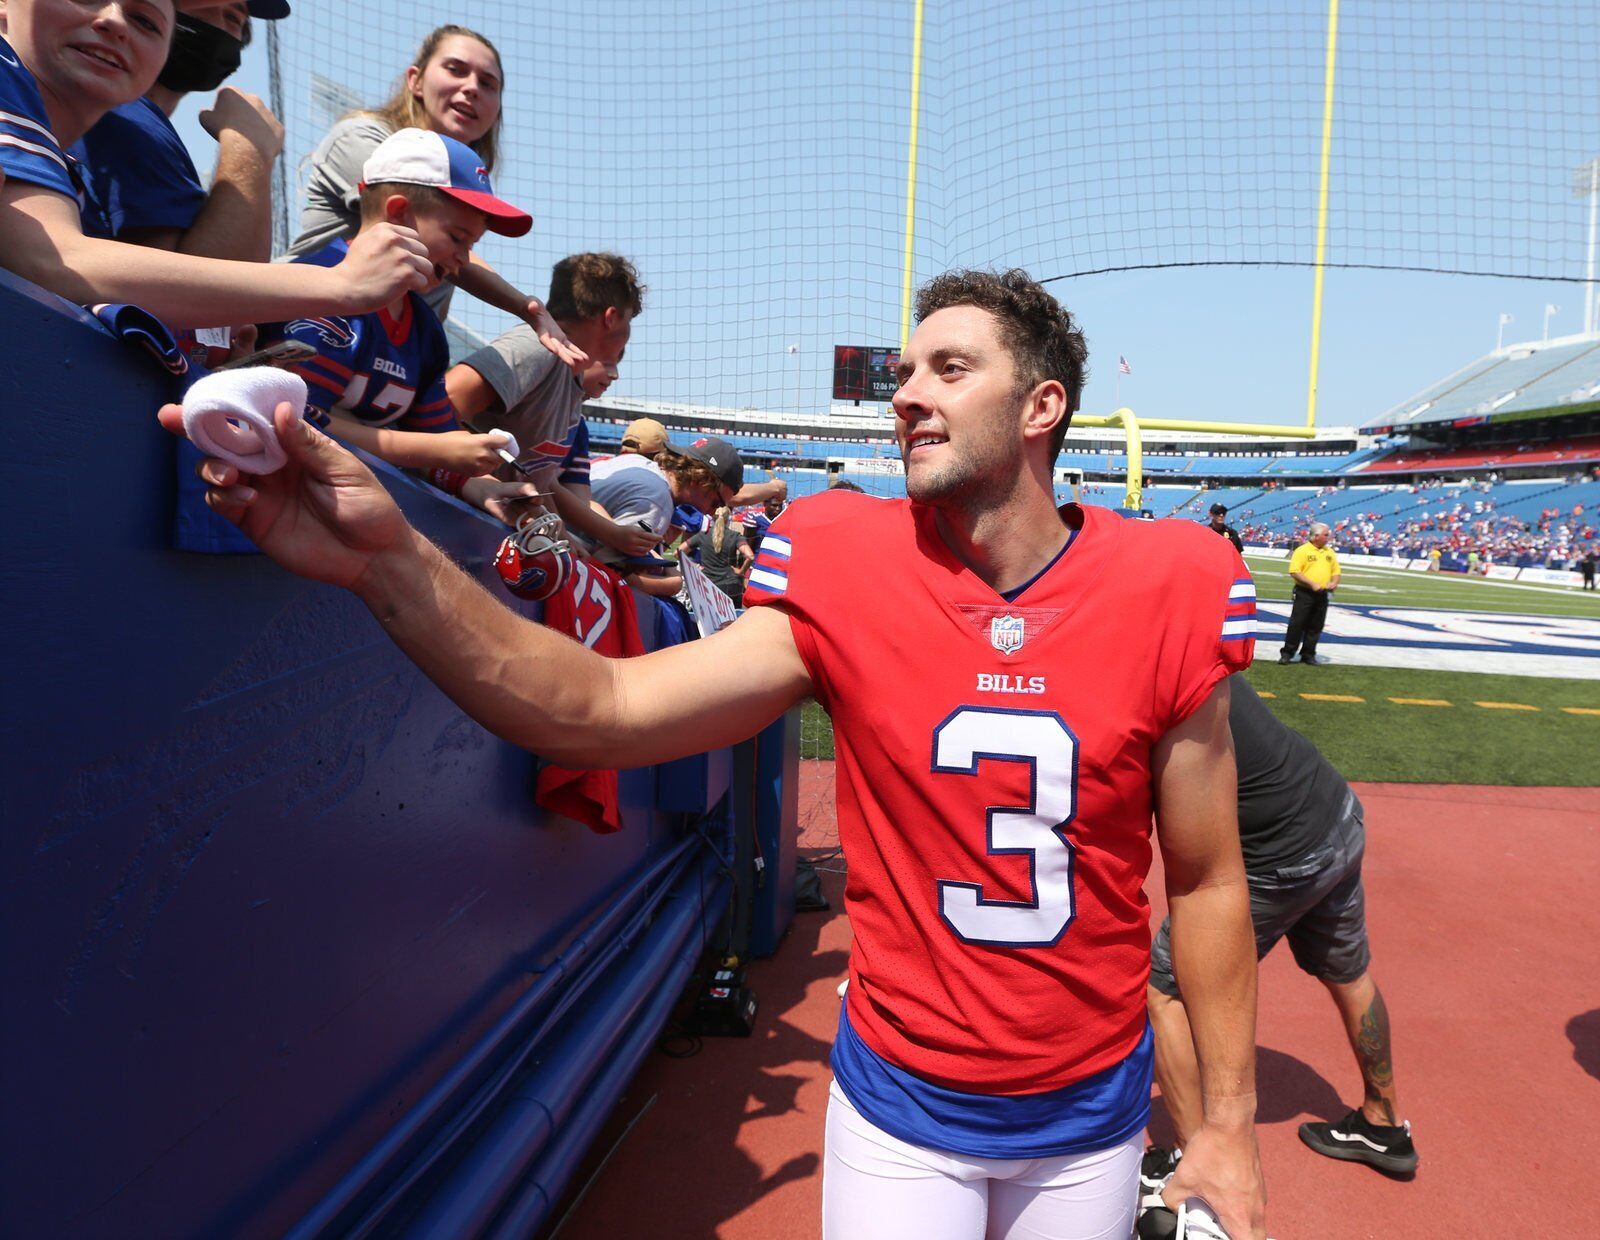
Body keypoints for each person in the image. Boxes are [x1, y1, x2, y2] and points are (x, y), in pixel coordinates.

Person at [162, 267, 1269, 1240]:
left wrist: (1225, 1126)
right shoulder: (844, 560)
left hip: (1088, 1116)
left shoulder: (1166, 581)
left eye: (948, 367)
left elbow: (1209, 876)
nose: (907, 392)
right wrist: (386, 559)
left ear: (1041, 406)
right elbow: (594, 707)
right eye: (906, 369)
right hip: (905, 1106)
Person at [1139, 677, 1416, 1228]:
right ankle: (1385, 1125)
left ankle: (1192, 1164)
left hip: (1279, 854)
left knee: (1164, 991)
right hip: (1334, 812)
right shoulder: (1192, 654)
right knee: (1349, 973)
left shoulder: (1143, 672)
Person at [0, 0, 429, 327]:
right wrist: (339, 283)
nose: (113, 20)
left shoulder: (60, 151)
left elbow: (210, 328)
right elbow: (54, 261)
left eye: (145, 20)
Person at [257, 128, 534, 495]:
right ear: (399, 212)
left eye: (471, 245)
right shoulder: (322, 289)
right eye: (456, 238)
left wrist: (482, 489)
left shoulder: (424, 329)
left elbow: (437, 439)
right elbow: (292, 421)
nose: (463, 260)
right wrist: (432, 450)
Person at [286, 23, 581, 367]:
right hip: (307, 332)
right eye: (455, 70)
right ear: (415, 80)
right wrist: (523, 305)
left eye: (488, 84)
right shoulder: (364, 139)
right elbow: (447, 252)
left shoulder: (467, 179)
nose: (471, 87)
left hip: (393, 364)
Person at [445, 252, 656, 559]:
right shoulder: (537, 349)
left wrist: (558, 528)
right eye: (628, 321)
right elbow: (440, 406)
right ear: (611, 317)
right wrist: (477, 483)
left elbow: (537, 477)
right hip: (451, 521)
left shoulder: (570, 382)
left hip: (488, 533)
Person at [74, 0, 285, 265]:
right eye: (203, 3)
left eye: (232, 17)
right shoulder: (126, 117)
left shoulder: (140, 121)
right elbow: (218, 295)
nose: (215, 23)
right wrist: (249, 145)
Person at [585, 435, 744, 598]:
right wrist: (674, 583)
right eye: (716, 503)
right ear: (702, 479)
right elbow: (606, 570)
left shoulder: (639, 463)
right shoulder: (657, 501)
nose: (712, 512)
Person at [1279, 523, 1339, 666]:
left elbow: (1336, 571)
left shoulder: (1329, 552)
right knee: (1297, 623)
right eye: (1325, 535)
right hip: (1304, 592)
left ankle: (1308, 653)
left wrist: (1334, 582)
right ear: (1316, 536)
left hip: (1322, 593)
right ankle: (1287, 653)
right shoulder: (1302, 551)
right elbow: (1295, 571)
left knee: (1316, 625)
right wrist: (1311, 584)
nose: (1328, 537)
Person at [682, 507, 753, 606]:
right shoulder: (735, 536)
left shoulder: (702, 535)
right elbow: (750, 556)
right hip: (731, 585)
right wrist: (741, 572)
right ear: (728, 518)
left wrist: (696, 566)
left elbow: (679, 552)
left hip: (708, 585)